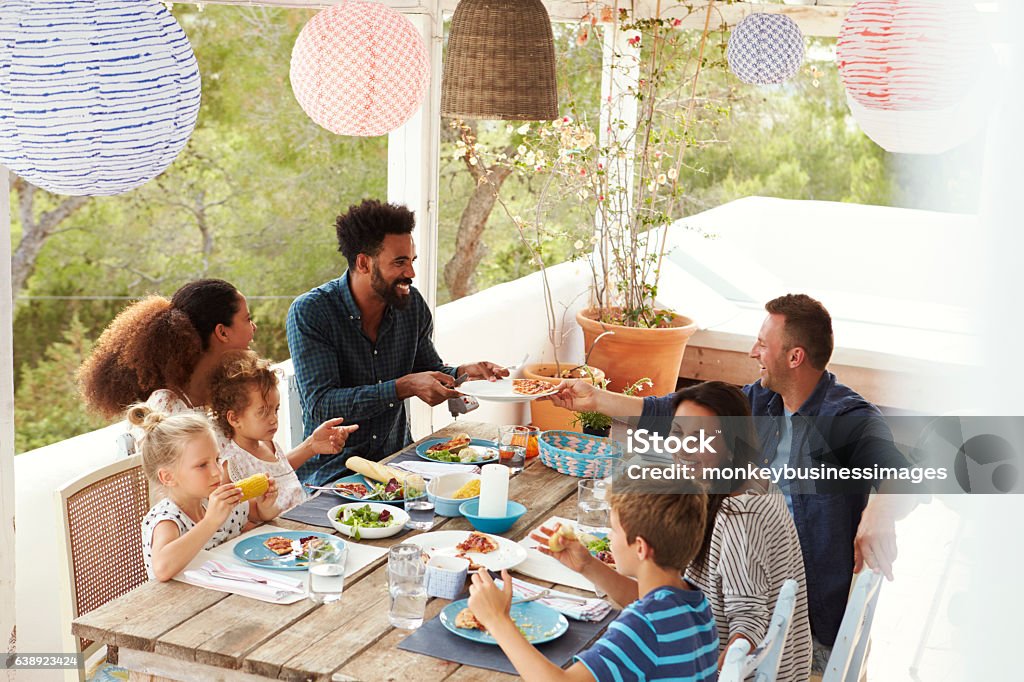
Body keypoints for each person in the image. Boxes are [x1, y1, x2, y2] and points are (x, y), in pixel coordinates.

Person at [547, 294, 911, 670]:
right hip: (731, 591)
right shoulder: (761, 402)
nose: (753, 352)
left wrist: (879, 514)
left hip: (798, 627)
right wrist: (599, 399)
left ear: (795, 357)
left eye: (762, 344)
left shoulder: (845, 419)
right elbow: (676, 412)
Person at [286, 199, 507, 486]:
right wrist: (403, 387)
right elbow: (321, 405)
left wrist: (462, 373)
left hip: (400, 463)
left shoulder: (411, 305)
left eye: (412, 261)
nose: (411, 273)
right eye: (399, 262)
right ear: (364, 262)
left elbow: (428, 368)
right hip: (335, 473)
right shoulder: (312, 312)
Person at [467, 487, 719, 682]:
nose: (609, 538)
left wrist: (497, 619)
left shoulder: (643, 627)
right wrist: (587, 565)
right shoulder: (693, 602)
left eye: (613, 531)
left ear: (640, 547)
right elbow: (644, 602)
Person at [130, 404, 280, 582]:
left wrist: (266, 504)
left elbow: (260, 515)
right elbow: (162, 568)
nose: (217, 471)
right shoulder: (167, 519)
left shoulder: (214, 500)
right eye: (202, 465)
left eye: (216, 459)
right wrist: (210, 522)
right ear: (168, 477)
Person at [209, 350, 358, 512]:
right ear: (234, 418)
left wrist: (313, 446)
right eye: (263, 412)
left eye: (276, 409)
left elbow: (282, 472)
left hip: (306, 515)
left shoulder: (269, 444)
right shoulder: (232, 465)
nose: (273, 419)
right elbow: (242, 519)